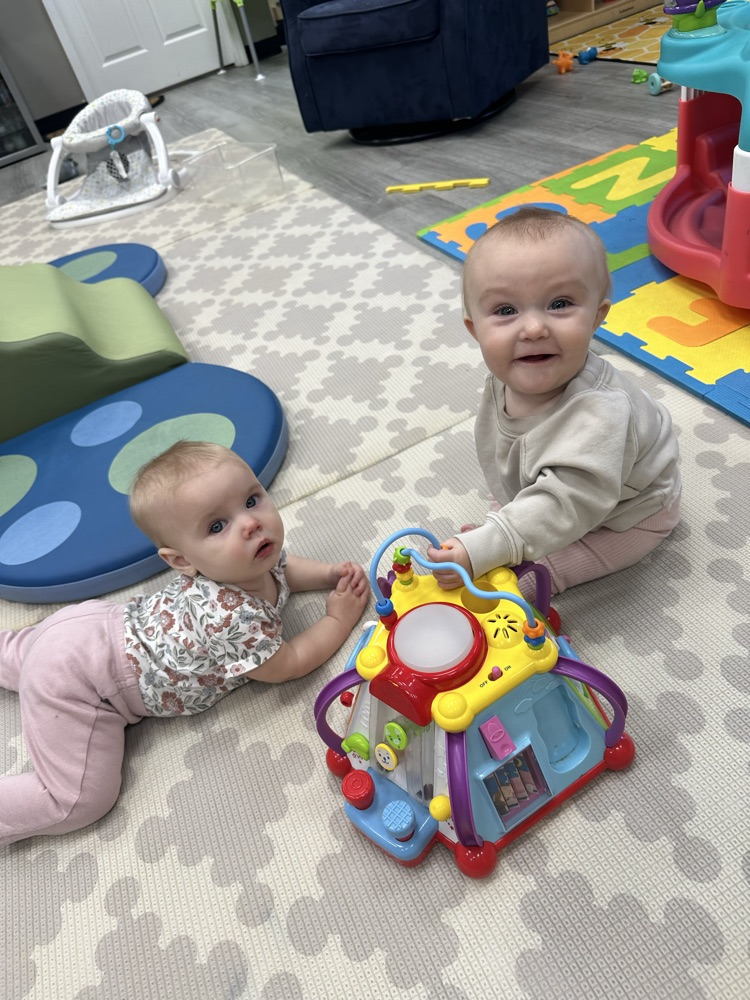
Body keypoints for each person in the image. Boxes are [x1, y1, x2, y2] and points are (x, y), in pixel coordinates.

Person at [0, 441, 368, 846]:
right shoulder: (230, 618)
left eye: (251, 499)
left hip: (87, 628)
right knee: (78, 800)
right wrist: (338, 618)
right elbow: (287, 663)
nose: (250, 524)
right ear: (181, 561)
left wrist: (329, 573)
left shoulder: (249, 557)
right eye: (216, 526)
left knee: (26, 653)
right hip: (82, 679)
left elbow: (286, 568)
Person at [427, 206, 681, 595]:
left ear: (597, 317)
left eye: (560, 303)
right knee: (514, 532)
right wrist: (505, 525)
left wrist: (493, 543)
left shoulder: (600, 413)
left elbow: (569, 503)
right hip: (563, 488)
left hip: (632, 510)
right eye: (506, 310)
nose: (533, 328)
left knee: (533, 577)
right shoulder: (503, 380)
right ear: (474, 329)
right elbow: (507, 453)